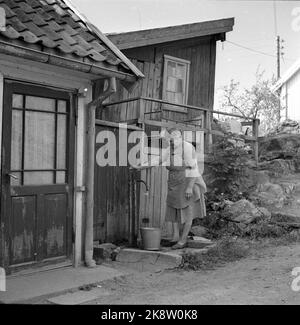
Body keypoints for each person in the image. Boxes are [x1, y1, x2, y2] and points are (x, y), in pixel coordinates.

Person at [134, 127, 207, 249]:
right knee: (173, 210)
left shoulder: (187, 148)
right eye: (169, 141)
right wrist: (142, 166)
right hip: (173, 182)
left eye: (172, 140)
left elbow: (194, 168)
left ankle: (182, 241)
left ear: (179, 138)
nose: (170, 143)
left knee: (188, 212)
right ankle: (175, 237)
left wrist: (189, 187)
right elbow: (158, 159)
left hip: (188, 181)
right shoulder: (169, 149)